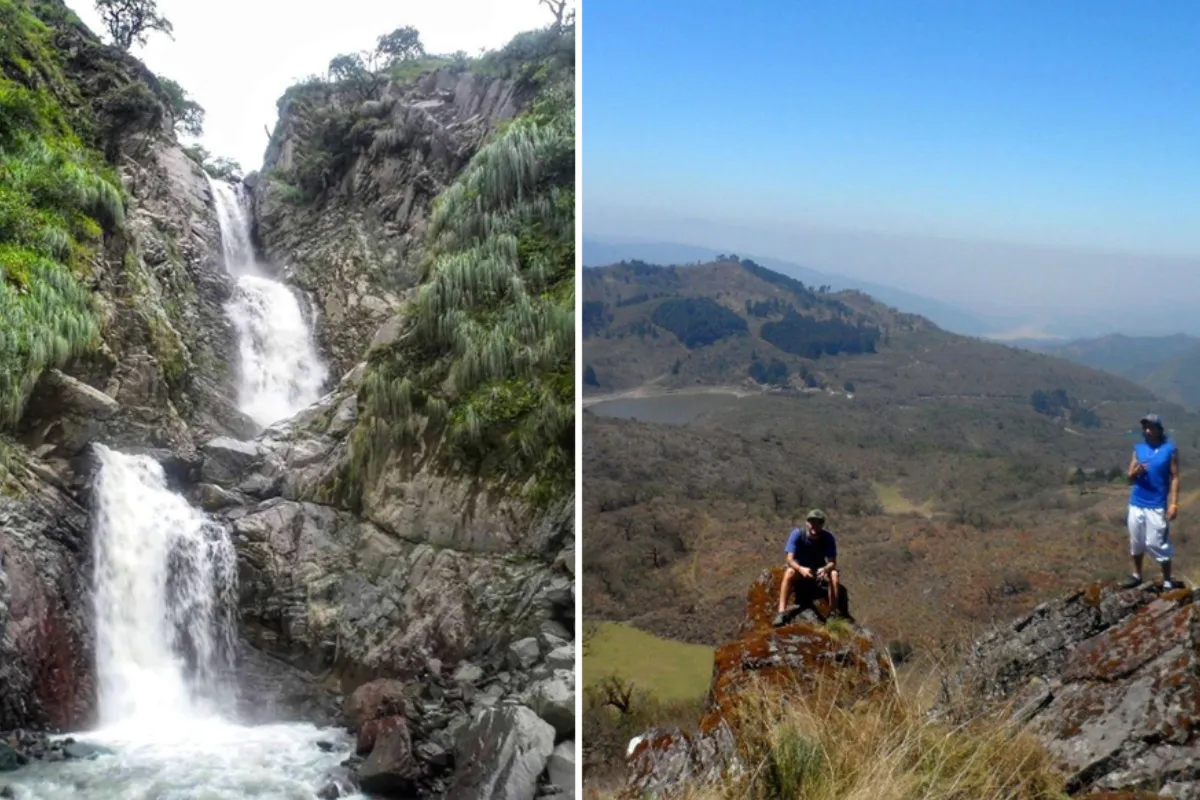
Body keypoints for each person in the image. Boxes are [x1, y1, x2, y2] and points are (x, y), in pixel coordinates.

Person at [1123, 413, 1182, 590]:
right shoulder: (1139, 449)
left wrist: (1174, 504)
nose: (1148, 431)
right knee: (1136, 542)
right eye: (1145, 427)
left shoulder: (1169, 450)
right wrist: (1136, 472)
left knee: (1156, 543)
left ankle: (1167, 579)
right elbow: (1129, 476)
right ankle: (1137, 575)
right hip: (1137, 502)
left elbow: (1175, 477)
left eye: (1151, 427)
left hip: (1156, 505)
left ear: (1159, 430)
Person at [773, 509, 840, 626]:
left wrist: (825, 569)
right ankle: (781, 612)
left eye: (819, 522)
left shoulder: (827, 537)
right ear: (807, 523)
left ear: (822, 524)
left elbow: (832, 562)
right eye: (812, 522)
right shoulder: (798, 534)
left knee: (834, 575)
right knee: (789, 572)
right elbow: (789, 559)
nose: (815, 525)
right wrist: (800, 569)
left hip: (819, 571)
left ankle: (832, 613)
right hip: (801, 569)